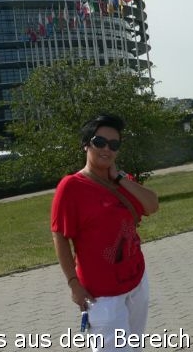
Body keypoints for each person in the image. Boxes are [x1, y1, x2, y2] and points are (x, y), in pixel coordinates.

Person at [51, 114, 159, 351]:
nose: (107, 149)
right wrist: (73, 284)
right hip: (102, 295)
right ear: (86, 144)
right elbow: (60, 235)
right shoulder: (71, 187)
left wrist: (120, 178)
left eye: (114, 145)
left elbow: (152, 205)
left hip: (136, 283)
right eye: (100, 142)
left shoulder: (121, 181)